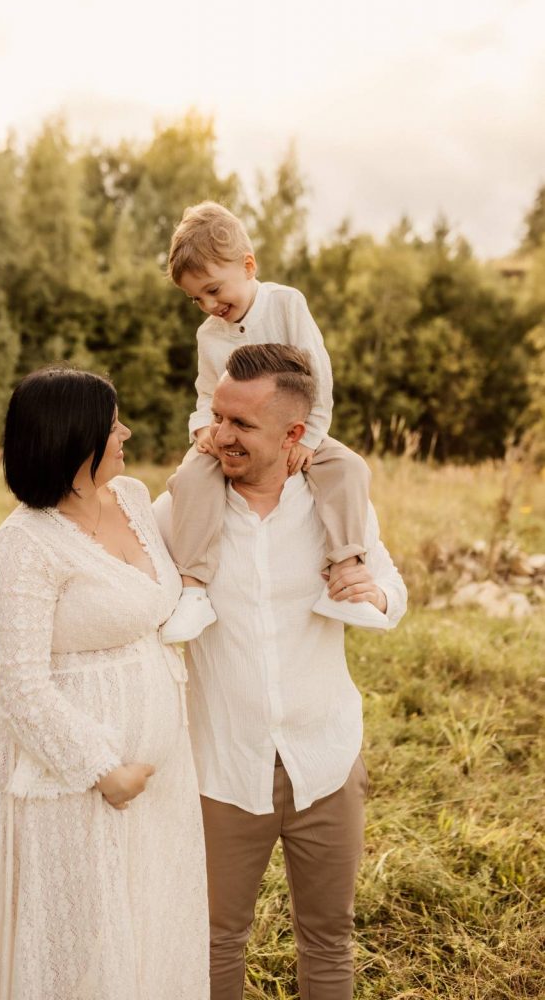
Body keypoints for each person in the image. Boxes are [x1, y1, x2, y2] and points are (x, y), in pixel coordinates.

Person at [153, 344, 407, 1000]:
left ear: (293, 434)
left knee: (327, 936)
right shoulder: (181, 510)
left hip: (324, 761)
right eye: (217, 417)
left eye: (240, 425)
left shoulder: (333, 509)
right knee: (212, 939)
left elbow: (390, 585)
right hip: (220, 767)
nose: (217, 436)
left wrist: (373, 596)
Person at [0, 366, 209, 1000]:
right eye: (111, 424)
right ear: (72, 439)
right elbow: (22, 684)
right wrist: (103, 769)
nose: (125, 432)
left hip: (157, 768)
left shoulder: (129, 496)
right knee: (76, 936)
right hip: (73, 775)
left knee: (146, 916)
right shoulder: (23, 543)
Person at [161, 200, 388, 645]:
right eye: (195, 299)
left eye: (213, 289)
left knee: (349, 469)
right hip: (229, 434)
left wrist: (315, 435)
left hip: (299, 429)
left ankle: (345, 566)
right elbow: (206, 392)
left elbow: (317, 374)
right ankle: (193, 588)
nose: (208, 305)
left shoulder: (286, 304)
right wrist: (202, 430)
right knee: (190, 478)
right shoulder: (209, 335)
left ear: (248, 265)